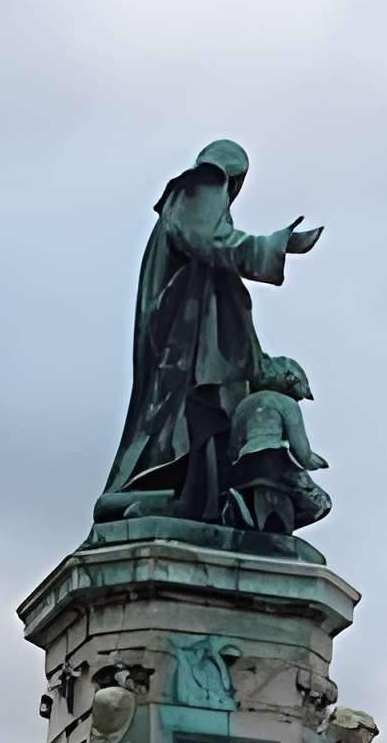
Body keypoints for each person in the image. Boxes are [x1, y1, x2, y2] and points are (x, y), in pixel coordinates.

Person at [94, 141, 322, 527]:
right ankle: (169, 501)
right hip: (186, 343)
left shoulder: (194, 201)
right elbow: (213, 243)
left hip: (191, 339)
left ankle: (190, 501)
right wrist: (276, 246)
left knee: (191, 430)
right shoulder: (198, 187)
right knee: (186, 424)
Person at [224, 354, 331, 536]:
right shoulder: (285, 403)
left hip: (242, 466)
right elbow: (301, 450)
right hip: (275, 461)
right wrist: (314, 461)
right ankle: (278, 533)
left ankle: (244, 513)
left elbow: (233, 447)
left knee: (258, 507)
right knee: (321, 503)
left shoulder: (243, 405)